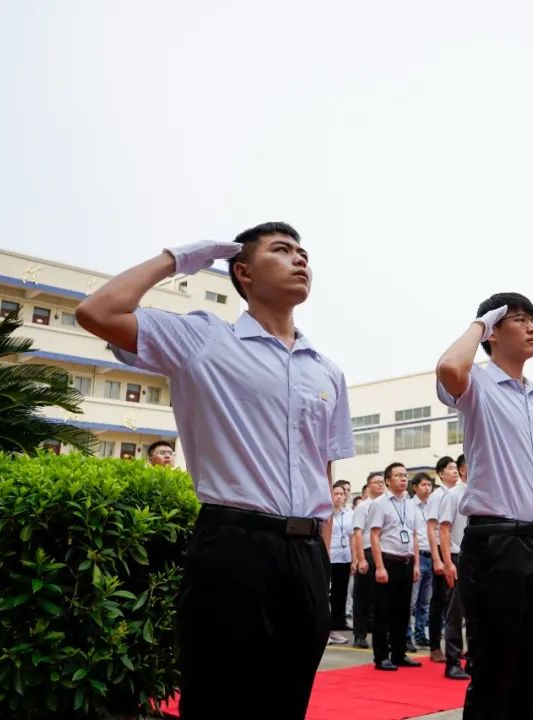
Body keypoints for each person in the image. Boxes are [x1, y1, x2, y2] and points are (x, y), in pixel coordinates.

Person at [76, 225, 355, 718]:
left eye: (303, 253)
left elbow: (323, 469)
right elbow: (98, 312)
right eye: (282, 250)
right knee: (219, 700)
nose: (300, 260)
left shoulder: (327, 371)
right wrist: (179, 258)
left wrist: (319, 557)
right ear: (243, 272)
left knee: (288, 702)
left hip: (307, 556)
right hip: (234, 549)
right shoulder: (204, 338)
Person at [435, 292, 533, 720]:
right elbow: (448, 368)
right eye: (519, 319)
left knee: (530, 672)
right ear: (493, 331)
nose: (531, 328)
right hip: (497, 542)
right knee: (494, 673)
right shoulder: (477, 383)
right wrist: (481, 323)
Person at [367, 462, 424, 670]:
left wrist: (416, 564)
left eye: (405, 475)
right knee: (384, 611)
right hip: (388, 561)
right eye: (398, 475)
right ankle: (381, 656)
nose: (403, 479)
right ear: (388, 480)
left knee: (403, 611)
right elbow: (374, 535)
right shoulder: (380, 504)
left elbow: (414, 535)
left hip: (406, 562)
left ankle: (399, 653)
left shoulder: (411, 504)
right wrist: (379, 567)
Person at [426, 455, 460, 663]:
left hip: (455, 550)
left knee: (455, 604)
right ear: (440, 473)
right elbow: (432, 528)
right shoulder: (437, 496)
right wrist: (437, 559)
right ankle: (434, 646)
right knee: (438, 601)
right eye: (450, 468)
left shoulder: (459, 493)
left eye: (456, 467)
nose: (454, 471)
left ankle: (454, 647)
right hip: (441, 550)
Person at [438, 465, 471, 680]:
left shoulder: (481, 492)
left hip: (479, 559)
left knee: (477, 614)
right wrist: (447, 562)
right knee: (455, 614)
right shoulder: (453, 495)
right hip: (457, 557)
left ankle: (473, 660)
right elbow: (444, 528)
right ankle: (452, 662)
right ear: (463, 469)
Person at [351, 472, 386, 648]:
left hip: (385, 553)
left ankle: (381, 635)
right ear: (369, 485)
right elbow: (357, 533)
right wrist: (360, 559)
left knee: (381, 598)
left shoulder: (387, 505)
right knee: (362, 597)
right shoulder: (363, 506)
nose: (380, 485)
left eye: (382, 482)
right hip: (368, 552)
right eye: (376, 482)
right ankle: (360, 635)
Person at [408, 472, 434, 649]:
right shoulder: (409, 506)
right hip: (417, 556)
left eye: (429, 485)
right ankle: (406, 636)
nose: (427, 488)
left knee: (425, 602)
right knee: (411, 601)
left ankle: (420, 634)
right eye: (424, 485)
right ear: (415, 487)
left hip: (432, 555)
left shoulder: (433, 505)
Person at [328, 483, 354, 645]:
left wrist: (354, 559)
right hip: (330, 558)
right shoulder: (326, 513)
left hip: (345, 559)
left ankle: (335, 629)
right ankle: (325, 630)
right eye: (335, 493)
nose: (338, 497)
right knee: (328, 596)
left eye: (341, 494)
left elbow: (353, 537)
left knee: (340, 596)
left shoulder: (349, 513)